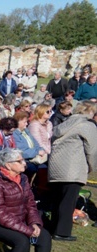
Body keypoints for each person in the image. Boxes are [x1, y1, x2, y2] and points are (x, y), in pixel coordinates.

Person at [48, 101, 97, 241]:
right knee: (68, 201)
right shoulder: (87, 125)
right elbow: (92, 150)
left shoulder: (65, 123)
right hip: (73, 167)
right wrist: (92, 167)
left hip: (56, 166)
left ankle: (53, 227)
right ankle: (62, 232)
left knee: (58, 199)